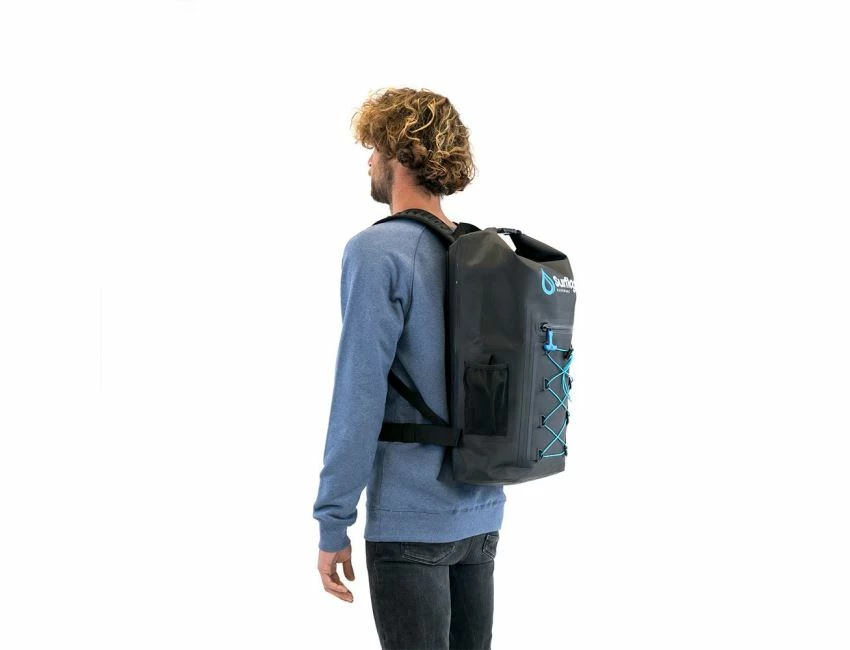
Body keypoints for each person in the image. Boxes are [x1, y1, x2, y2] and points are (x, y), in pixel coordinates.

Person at [312, 88, 506, 650]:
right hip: (481, 513)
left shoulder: (378, 251)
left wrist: (333, 520)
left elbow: (358, 396)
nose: (369, 162)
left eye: (374, 149)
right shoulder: (480, 251)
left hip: (409, 518)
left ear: (399, 155)